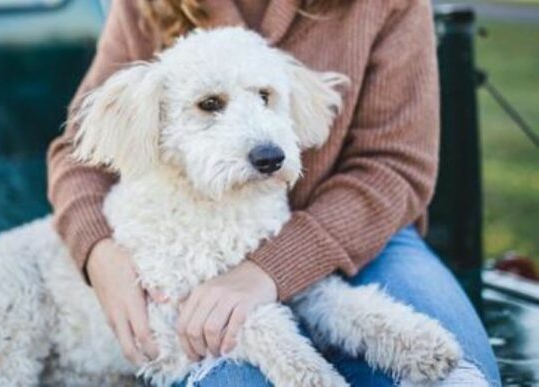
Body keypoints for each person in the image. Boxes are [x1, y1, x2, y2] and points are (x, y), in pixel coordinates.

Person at [46, 1, 501, 386]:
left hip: (364, 234)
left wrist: (271, 267)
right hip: (196, 240)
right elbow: (78, 152)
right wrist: (99, 251)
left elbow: (395, 166)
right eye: (209, 105)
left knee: (457, 374)